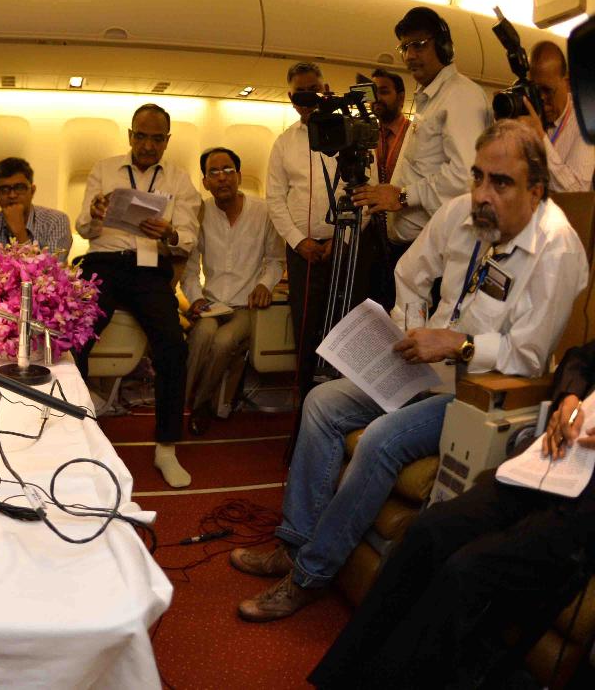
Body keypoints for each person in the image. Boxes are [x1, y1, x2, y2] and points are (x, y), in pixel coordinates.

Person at [230, 120, 588, 623]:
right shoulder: (462, 213)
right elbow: (409, 273)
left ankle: (309, 575)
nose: (482, 194)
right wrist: (412, 328)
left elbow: (528, 358)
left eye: (501, 182)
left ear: (536, 190)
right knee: (321, 402)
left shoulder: (557, 250)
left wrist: (458, 345)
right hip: (424, 366)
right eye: (477, 176)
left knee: (380, 440)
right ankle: (293, 544)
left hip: (476, 393)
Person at [309, 339, 595, 689]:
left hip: (585, 508)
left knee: (467, 568)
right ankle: (343, 678)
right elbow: (581, 358)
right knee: (430, 529)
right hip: (553, 461)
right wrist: (570, 398)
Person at [74, 103, 201, 488]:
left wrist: (169, 232)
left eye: (156, 138)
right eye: (141, 136)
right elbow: (83, 228)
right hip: (104, 261)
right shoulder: (104, 168)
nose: (147, 145)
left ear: (167, 141)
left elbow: (188, 238)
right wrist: (96, 213)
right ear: (130, 135)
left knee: (173, 347)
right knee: (74, 338)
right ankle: (77, 431)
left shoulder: (179, 180)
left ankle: (166, 446)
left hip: (149, 266)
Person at [353, 6, 492, 248]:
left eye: (418, 45)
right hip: (420, 246)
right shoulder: (430, 98)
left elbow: (465, 177)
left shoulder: (460, 95)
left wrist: (403, 196)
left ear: (443, 47)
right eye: (404, 48)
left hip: (440, 248)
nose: (409, 56)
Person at [182, 147, 284, 434]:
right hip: (211, 303)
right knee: (202, 335)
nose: (222, 177)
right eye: (213, 172)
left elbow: (275, 260)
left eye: (228, 170)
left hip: (246, 306)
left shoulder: (263, 211)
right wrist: (195, 298)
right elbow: (189, 267)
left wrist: (264, 284)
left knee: (224, 341)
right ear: (205, 182)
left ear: (239, 175)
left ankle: (199, 405)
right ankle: (182, 400)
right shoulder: (200, 212)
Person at [265, 62, 348, 399]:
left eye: (313, 90)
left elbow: (362, 190)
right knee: (305, 326)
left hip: (343, 247)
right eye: (300, 92)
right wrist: (299, 242)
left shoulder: (345, 133)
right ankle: (305, 397)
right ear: (290, 98)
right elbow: (275, 198)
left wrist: (341, 238)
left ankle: (338, 396)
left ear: (324, 90)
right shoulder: (284, 143)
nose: (307, 98)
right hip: (302, 253)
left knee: (342, 324)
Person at [0, 156, 72, 272]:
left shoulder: (56, 221)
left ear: (32, 191)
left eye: (19, 188)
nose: (12, 195)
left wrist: (20, 234)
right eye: (4, 189)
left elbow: (51, 275)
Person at [364, 67, 412, 311]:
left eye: (384, 92)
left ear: (401, 97)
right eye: (373, 93)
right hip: (374, 240)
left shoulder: (416, 135)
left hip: (406, 238)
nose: (377, 99)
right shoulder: (366, 136)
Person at [521, 40, 593, 192]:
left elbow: (576, 192)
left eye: (547, 90)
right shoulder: (528, 114)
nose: (541, 99)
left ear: (567, 83)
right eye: (536, 91)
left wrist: (540, 138)